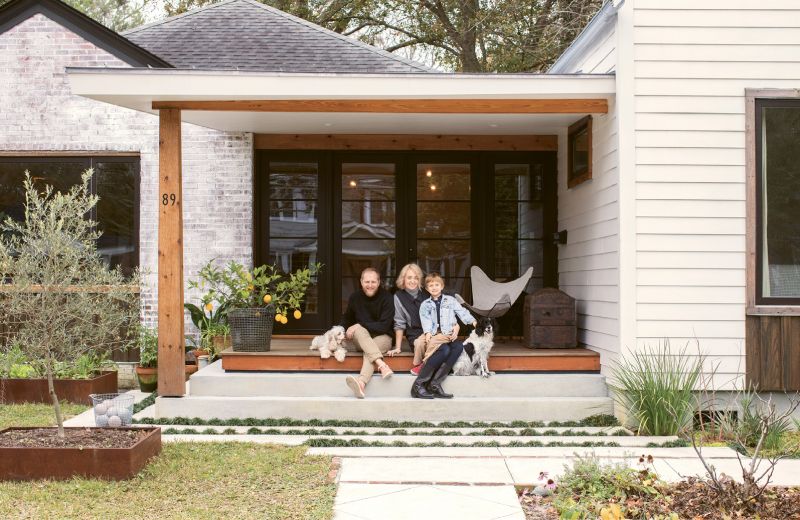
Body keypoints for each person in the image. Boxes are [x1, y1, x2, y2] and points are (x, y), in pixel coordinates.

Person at [411, 272, 477, 399]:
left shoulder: (450, 301)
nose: (434, 287)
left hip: (447, 333)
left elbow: (462, 312)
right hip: (433, 333)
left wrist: (472, 321)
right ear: (427, 289)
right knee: (429, 344)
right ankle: (421, 383)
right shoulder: (425, 304)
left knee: (456, 346)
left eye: (437, 285)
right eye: (431, 285)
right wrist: (428, 333)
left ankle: (430, 376)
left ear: (442, 286)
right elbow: (425, 320)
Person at [342, 267, 395, 398]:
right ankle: (382, 365)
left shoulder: (387, 298)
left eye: (373, 282)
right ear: (361, 282)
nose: (370, 285)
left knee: (369, 349)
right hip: (362, 338)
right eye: (367, 282)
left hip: (383, 337)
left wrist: (360, 324)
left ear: (378, 282)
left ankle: (361, 383)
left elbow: (384, 326)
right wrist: (337, 334)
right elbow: (347, 318)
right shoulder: (355, 297)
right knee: (359, 331)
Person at [386, 263, 429, 376]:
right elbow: (399, 323)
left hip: (431, 333)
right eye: (409, 277)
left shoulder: (427, 294)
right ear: (403, 279)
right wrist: (398, 347)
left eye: (416, 278)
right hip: (415, 335)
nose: (412, 281)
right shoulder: (398, 296)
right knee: (422, 345)